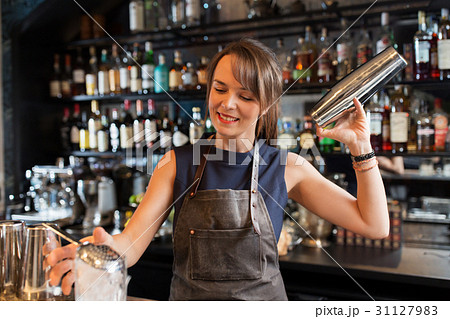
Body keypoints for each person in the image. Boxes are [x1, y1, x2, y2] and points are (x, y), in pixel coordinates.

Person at [47, 38, 389, 301]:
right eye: (220, 89)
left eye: (245, 95)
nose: (227, 104)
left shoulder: (287, 166)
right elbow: (130, 245)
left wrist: (360, 146)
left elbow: (373, 225)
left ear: (267, 103)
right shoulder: (175, 164)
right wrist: (97, 254)